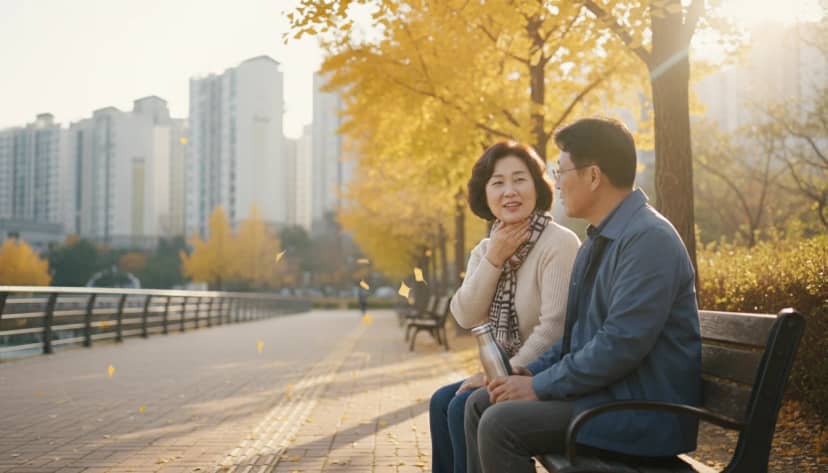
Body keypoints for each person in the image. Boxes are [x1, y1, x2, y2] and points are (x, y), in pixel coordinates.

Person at [463, 117, 702, 473]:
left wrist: (538, 387)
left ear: (593, 176)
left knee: (500, 424)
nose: (556, 183)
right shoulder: (598, 241)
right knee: (480, 403)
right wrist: (525, 372)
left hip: (641, 412)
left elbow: (619, 345)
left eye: (561, 171)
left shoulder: (649, 240)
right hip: (605, 397)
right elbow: (576, 338)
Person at [429, 141, 580, 473]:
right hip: (507, 373)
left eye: (519, 179)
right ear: (485, 194)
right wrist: (495, 258)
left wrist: (500, 377)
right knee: (441, 400)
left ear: (537, 186)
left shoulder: (559, 243)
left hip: (545, 378)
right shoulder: (487, 250)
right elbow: (465, 315)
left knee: (461, 405)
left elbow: (554, 329)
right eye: (497, 182)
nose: (509, 191)